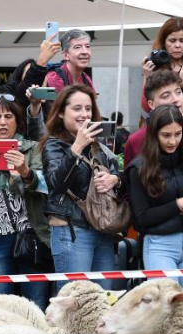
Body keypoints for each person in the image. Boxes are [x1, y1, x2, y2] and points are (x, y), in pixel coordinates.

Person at [0, 96, 50, 310]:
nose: (3, 122)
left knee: (36, 304)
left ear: (17, 121)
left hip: (30, 234)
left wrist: (23, 171)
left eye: (8, 116)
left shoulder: (33, 149)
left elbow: (43, 188)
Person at [43, 84, 123, 291]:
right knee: (74, 301)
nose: (84, 114)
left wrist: (113, 179)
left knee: (103, 298)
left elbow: (119, 172)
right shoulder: (54, 145)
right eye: (77, 108)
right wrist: (76, 148)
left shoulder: (98, 144)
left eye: (88, 109)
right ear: (61, 113)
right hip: (72, 230)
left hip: (102, 229)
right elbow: (56, 184)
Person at [126, 104, 183, 292]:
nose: (173, 141)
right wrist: (180, 204)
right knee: (166, 310)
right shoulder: (139, 168)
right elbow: (142, 218)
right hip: (159, 244)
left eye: (178, 134)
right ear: (154, 134)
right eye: (166, 135)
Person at [124, 70, 183, 167]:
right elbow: (128, 178)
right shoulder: (136, 140)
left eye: (178, 92)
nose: (176, 100)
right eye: (166, 96)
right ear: (151, 104)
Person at [44, 30, 94, 94]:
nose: (85, 51)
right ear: (65, 55)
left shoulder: (86, 79)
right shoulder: (55, 78)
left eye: (87, 46)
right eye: (77, 47)